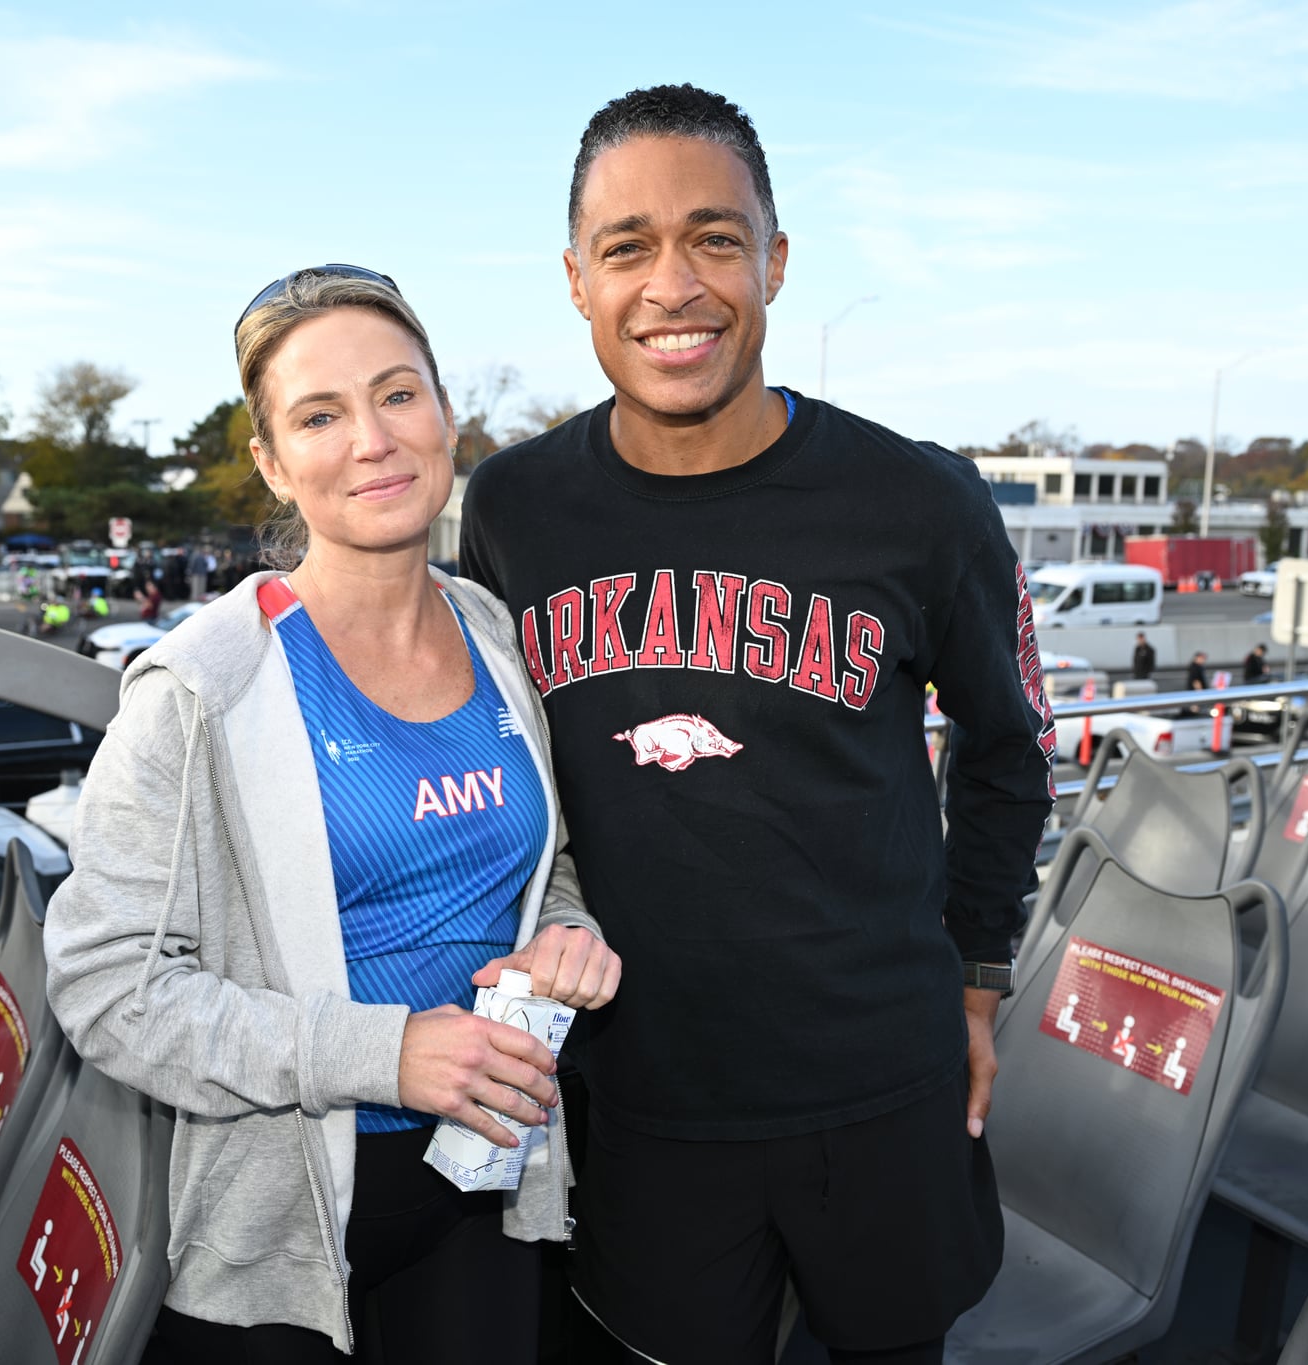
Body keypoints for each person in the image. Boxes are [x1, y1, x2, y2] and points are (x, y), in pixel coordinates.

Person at [460, 85, 1053, 1364]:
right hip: (636, 1093)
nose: (671, 284)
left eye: (714, 239)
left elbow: (1008, 754)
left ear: (773, 262)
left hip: (879, 1083)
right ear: (575, 279)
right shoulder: (511, 511)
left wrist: (977, 980)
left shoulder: (921, 502)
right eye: (627, 247)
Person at [45, 267, 620, 1364]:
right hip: (287, 1225)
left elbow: (542, 869)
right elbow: (105, 984)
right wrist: (382, 1051)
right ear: (271, 462)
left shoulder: (494, 635)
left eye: (398, 394)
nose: (373, 439)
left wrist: (569, 935)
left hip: (489, 1179)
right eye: (320, 414)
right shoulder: (201, 688)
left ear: (445, 414)